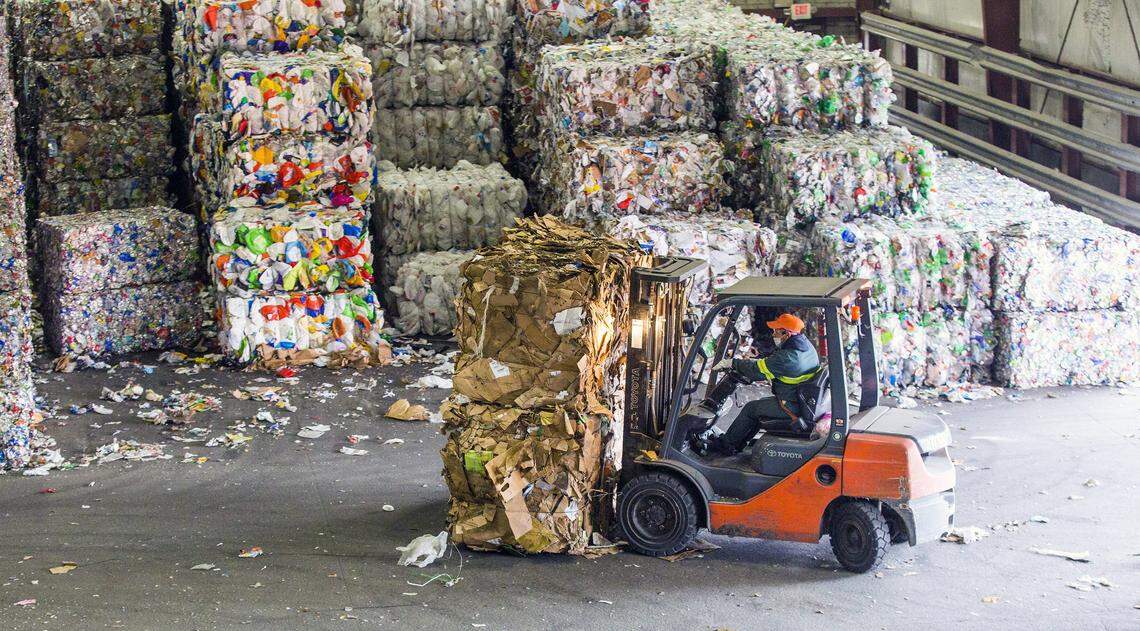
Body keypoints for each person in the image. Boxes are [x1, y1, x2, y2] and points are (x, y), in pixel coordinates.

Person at [707, 313, 820, 455]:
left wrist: (732, 363)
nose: (773, 334)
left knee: (751, 409)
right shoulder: (805, 347)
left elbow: (757, 371)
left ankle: (725, 446)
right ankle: (737, 443)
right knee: (759, 405)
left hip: (791, 405)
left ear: (786, 333)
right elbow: (773, 362)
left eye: (776, 331)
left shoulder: (789, 358)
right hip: (799, 399)